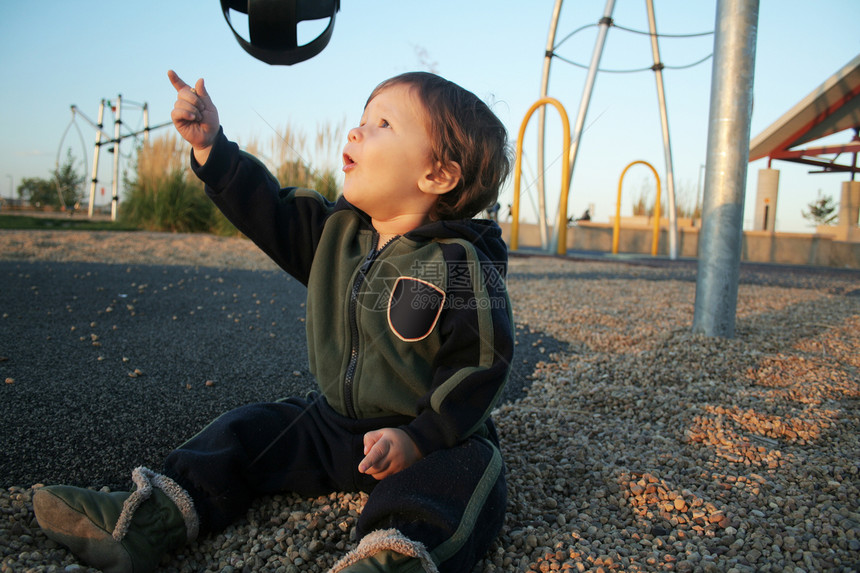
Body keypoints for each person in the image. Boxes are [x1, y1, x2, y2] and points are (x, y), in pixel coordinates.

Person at [33, 70, 514, 573]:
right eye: (361, 120)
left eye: (383, 125)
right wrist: (211, 148)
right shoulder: (337, 234)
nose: (356, 132)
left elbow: (481, 361)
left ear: (437, 175)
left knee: (465, 475)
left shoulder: (459, 263)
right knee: (246, 431)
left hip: (428, 433)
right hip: (332, 424)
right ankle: (149, 520)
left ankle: (396, 557)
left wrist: (421, 438)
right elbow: (269, 209)